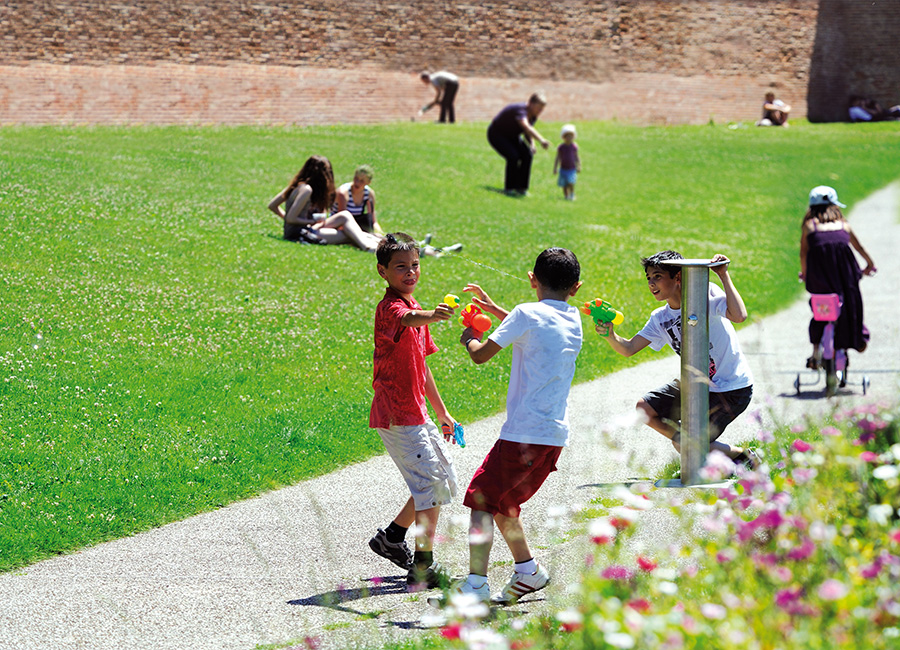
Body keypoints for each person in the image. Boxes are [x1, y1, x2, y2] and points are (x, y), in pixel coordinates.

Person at [449, 248, 583, 604]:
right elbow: (540, 329)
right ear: (577, 288)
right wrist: (497, 312)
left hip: (524, 433)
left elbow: (480, 355)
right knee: (504, 505)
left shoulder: (526, 314)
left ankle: (475, 584)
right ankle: (529, 573)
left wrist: (468, 336)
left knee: (480, 498)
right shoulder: (573, 316)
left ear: (532, 280)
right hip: (553, 436)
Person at [596, 250, 758, 468]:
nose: (651, 283)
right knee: (645, 409)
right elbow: (629, 348)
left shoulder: (704, 294)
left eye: (657, 276)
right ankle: (725, 453)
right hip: (696, 386)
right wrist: (610, 335)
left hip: (731, 388)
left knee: (689, 446)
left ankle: (730, 456)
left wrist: (723, 275)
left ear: (678, 277)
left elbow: (739, 316)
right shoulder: (660, 319)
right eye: (649, 278)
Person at [368, 232, 461, 591]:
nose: (410, 272)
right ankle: (423, 567)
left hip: (416, 411)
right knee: (431, 486)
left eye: (415, 265)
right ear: (383, 271)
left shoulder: (413, 304)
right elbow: (408, 319)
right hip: (396, 413)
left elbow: (422, 367)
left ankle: (392, 537)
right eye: (401, 267)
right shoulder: (391, 308)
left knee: (441, 482)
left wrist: (443, 413)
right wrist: (431, 316)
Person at [799, 186, 876, 367]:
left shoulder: (810, 227)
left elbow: (803, 253)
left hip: (820, 281)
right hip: (845, 279)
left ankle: (816, 350)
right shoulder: (844, 225)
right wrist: (870, 264)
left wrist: (806, 274)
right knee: (850, 307)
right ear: (834, 206)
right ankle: (856, 337)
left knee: (820, 313)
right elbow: (859, 248)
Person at [268, 156, 382, 252]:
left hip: (305, 229)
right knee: (347, 235)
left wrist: (300, 222)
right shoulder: (307, 190)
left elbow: (272, 206)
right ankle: (370, 247)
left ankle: (378, 241)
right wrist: (310, 222)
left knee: (345, 215)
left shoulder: (296, 185)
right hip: (300, 234)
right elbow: (290, 218)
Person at [487, 92, 550, 196]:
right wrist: (541, 139)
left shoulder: (533, 115)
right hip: (497, 134)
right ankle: (509, 188)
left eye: (542, 109)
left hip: (512, 136)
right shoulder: (520, 110)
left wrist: (532, 144)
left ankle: (522, 188)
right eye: (538, 108)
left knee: (527, 155)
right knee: (513, 156)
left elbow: (527, 131)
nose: (540, 111)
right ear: (530, 103)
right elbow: (526, 126)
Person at [334, 164, 382, 236]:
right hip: (339, 226)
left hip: (356, 226)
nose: (357, 183)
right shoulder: (343, 193)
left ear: (368, 182)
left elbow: (373, 221)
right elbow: (341, 220)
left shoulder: (369, 194)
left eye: (362, 181)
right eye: (356, 178)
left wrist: (381, 233)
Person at [553, 123, 581, 201]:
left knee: (571, 182)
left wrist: (579, 165)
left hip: (572, 168)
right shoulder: (561, 147)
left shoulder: (574, 147)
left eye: (571, 136)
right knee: (564, 184)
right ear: (563, 137)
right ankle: (566, 196)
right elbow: (557, 158)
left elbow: (577, 157)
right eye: (567, 136)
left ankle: (572, 194)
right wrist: (555, 168)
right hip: (563, 169)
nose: (569, 138)